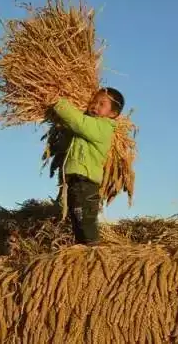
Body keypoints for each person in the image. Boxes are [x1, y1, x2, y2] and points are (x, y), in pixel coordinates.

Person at [51, 87, 125, 245]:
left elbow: (79, 122)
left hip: (86, 183)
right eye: (93, 101)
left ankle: (93, 253)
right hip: (76, 183)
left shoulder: (103, 127)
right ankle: (83, 253)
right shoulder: (89, 127)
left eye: (101, 104)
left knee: (85, 223)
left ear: (113, 114)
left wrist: (59, 102)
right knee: (78, 223)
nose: (94, 106)